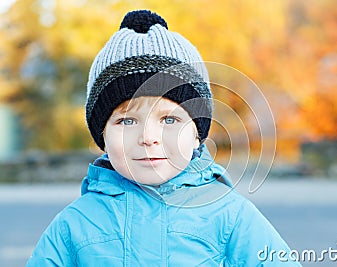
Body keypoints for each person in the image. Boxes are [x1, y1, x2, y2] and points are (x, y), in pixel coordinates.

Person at [26, 10, 301, 266]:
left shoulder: (231, 218)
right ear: (102, 135)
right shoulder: (74, 226)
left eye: (170, 120)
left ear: (198, 135)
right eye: (127, 121)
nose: (148, 138)